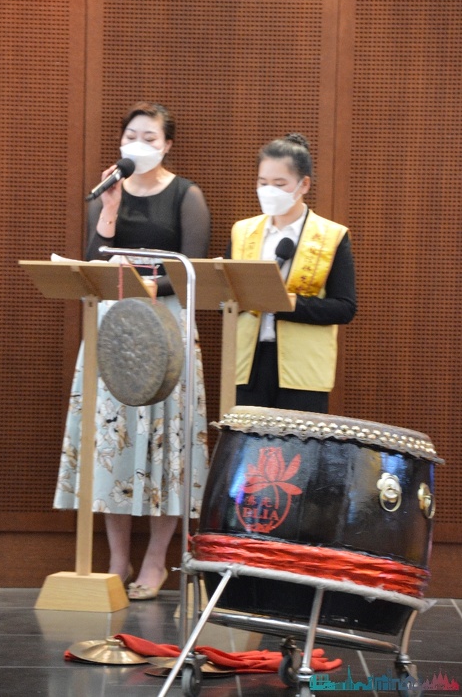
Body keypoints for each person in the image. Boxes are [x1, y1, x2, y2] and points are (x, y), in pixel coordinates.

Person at [54, 101, 210, 599]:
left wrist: (145, 283)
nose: (138, 145)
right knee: (112, 444)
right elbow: (93, 260)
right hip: (115, 327)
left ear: (167, 145)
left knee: (169, 445)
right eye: (131, 137)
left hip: (167, 326)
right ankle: (117, 560)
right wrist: (110, 209)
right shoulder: (108, 191)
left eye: (149, 138)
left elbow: (191, 271)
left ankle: (156, 561)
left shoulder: (186, 195)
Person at [228, 132, 356, 414]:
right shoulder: (242, 232)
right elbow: (226, 299)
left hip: (303, 368)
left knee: (297, 443)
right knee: (246, 441)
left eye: (279, 184)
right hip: (248, 364)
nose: (268, 191)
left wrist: (288, 304)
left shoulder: (331, 236)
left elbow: (344, 307)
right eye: (262, 183)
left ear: (303, 184)